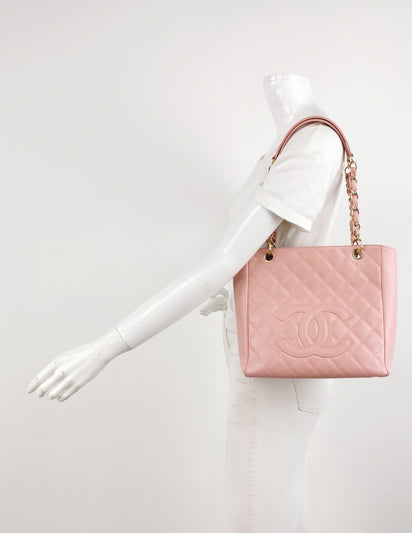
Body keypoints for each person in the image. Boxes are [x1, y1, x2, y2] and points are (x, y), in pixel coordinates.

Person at [27, 72, 346, 533]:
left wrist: (105, 348)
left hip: (279, 372)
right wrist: (235, 295)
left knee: (256, 516)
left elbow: (223, 261)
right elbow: (272, 253)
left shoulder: (312, 142)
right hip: (263, 358)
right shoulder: (284, 142)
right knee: (276, 511)